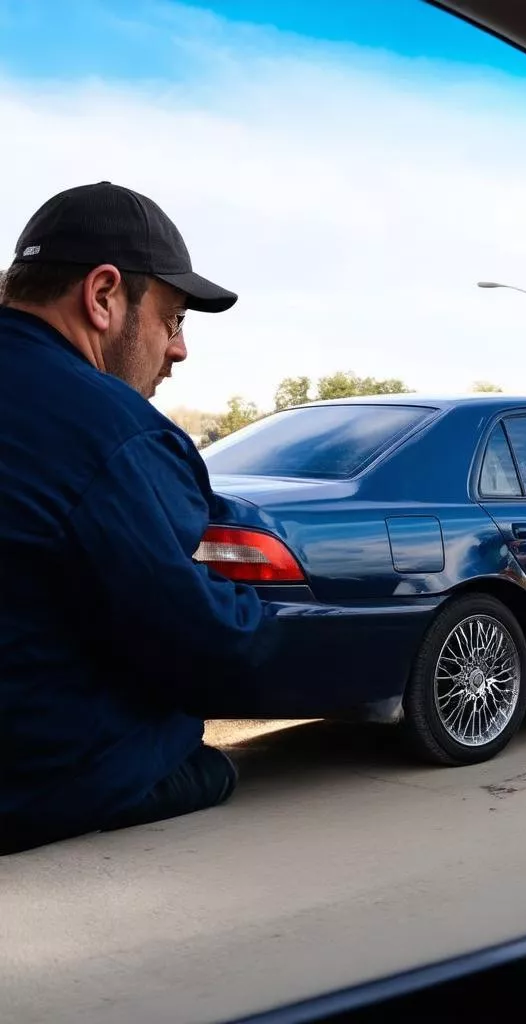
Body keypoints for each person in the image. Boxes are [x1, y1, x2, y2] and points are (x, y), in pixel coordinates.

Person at [0, 182, 276, 855]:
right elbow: (213, 651)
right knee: (204, 765)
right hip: (33, 791)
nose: (178, 351)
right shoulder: (113, 431)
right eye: (174, 319)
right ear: (102, 297)